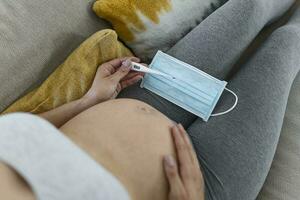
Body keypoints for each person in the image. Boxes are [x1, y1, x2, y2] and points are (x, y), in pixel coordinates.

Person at [0, 0, 299, 200]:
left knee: (251, 5)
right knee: (288, 45)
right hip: (205, 178)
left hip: (150, 97)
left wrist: (88, 101)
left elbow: (19, 129)